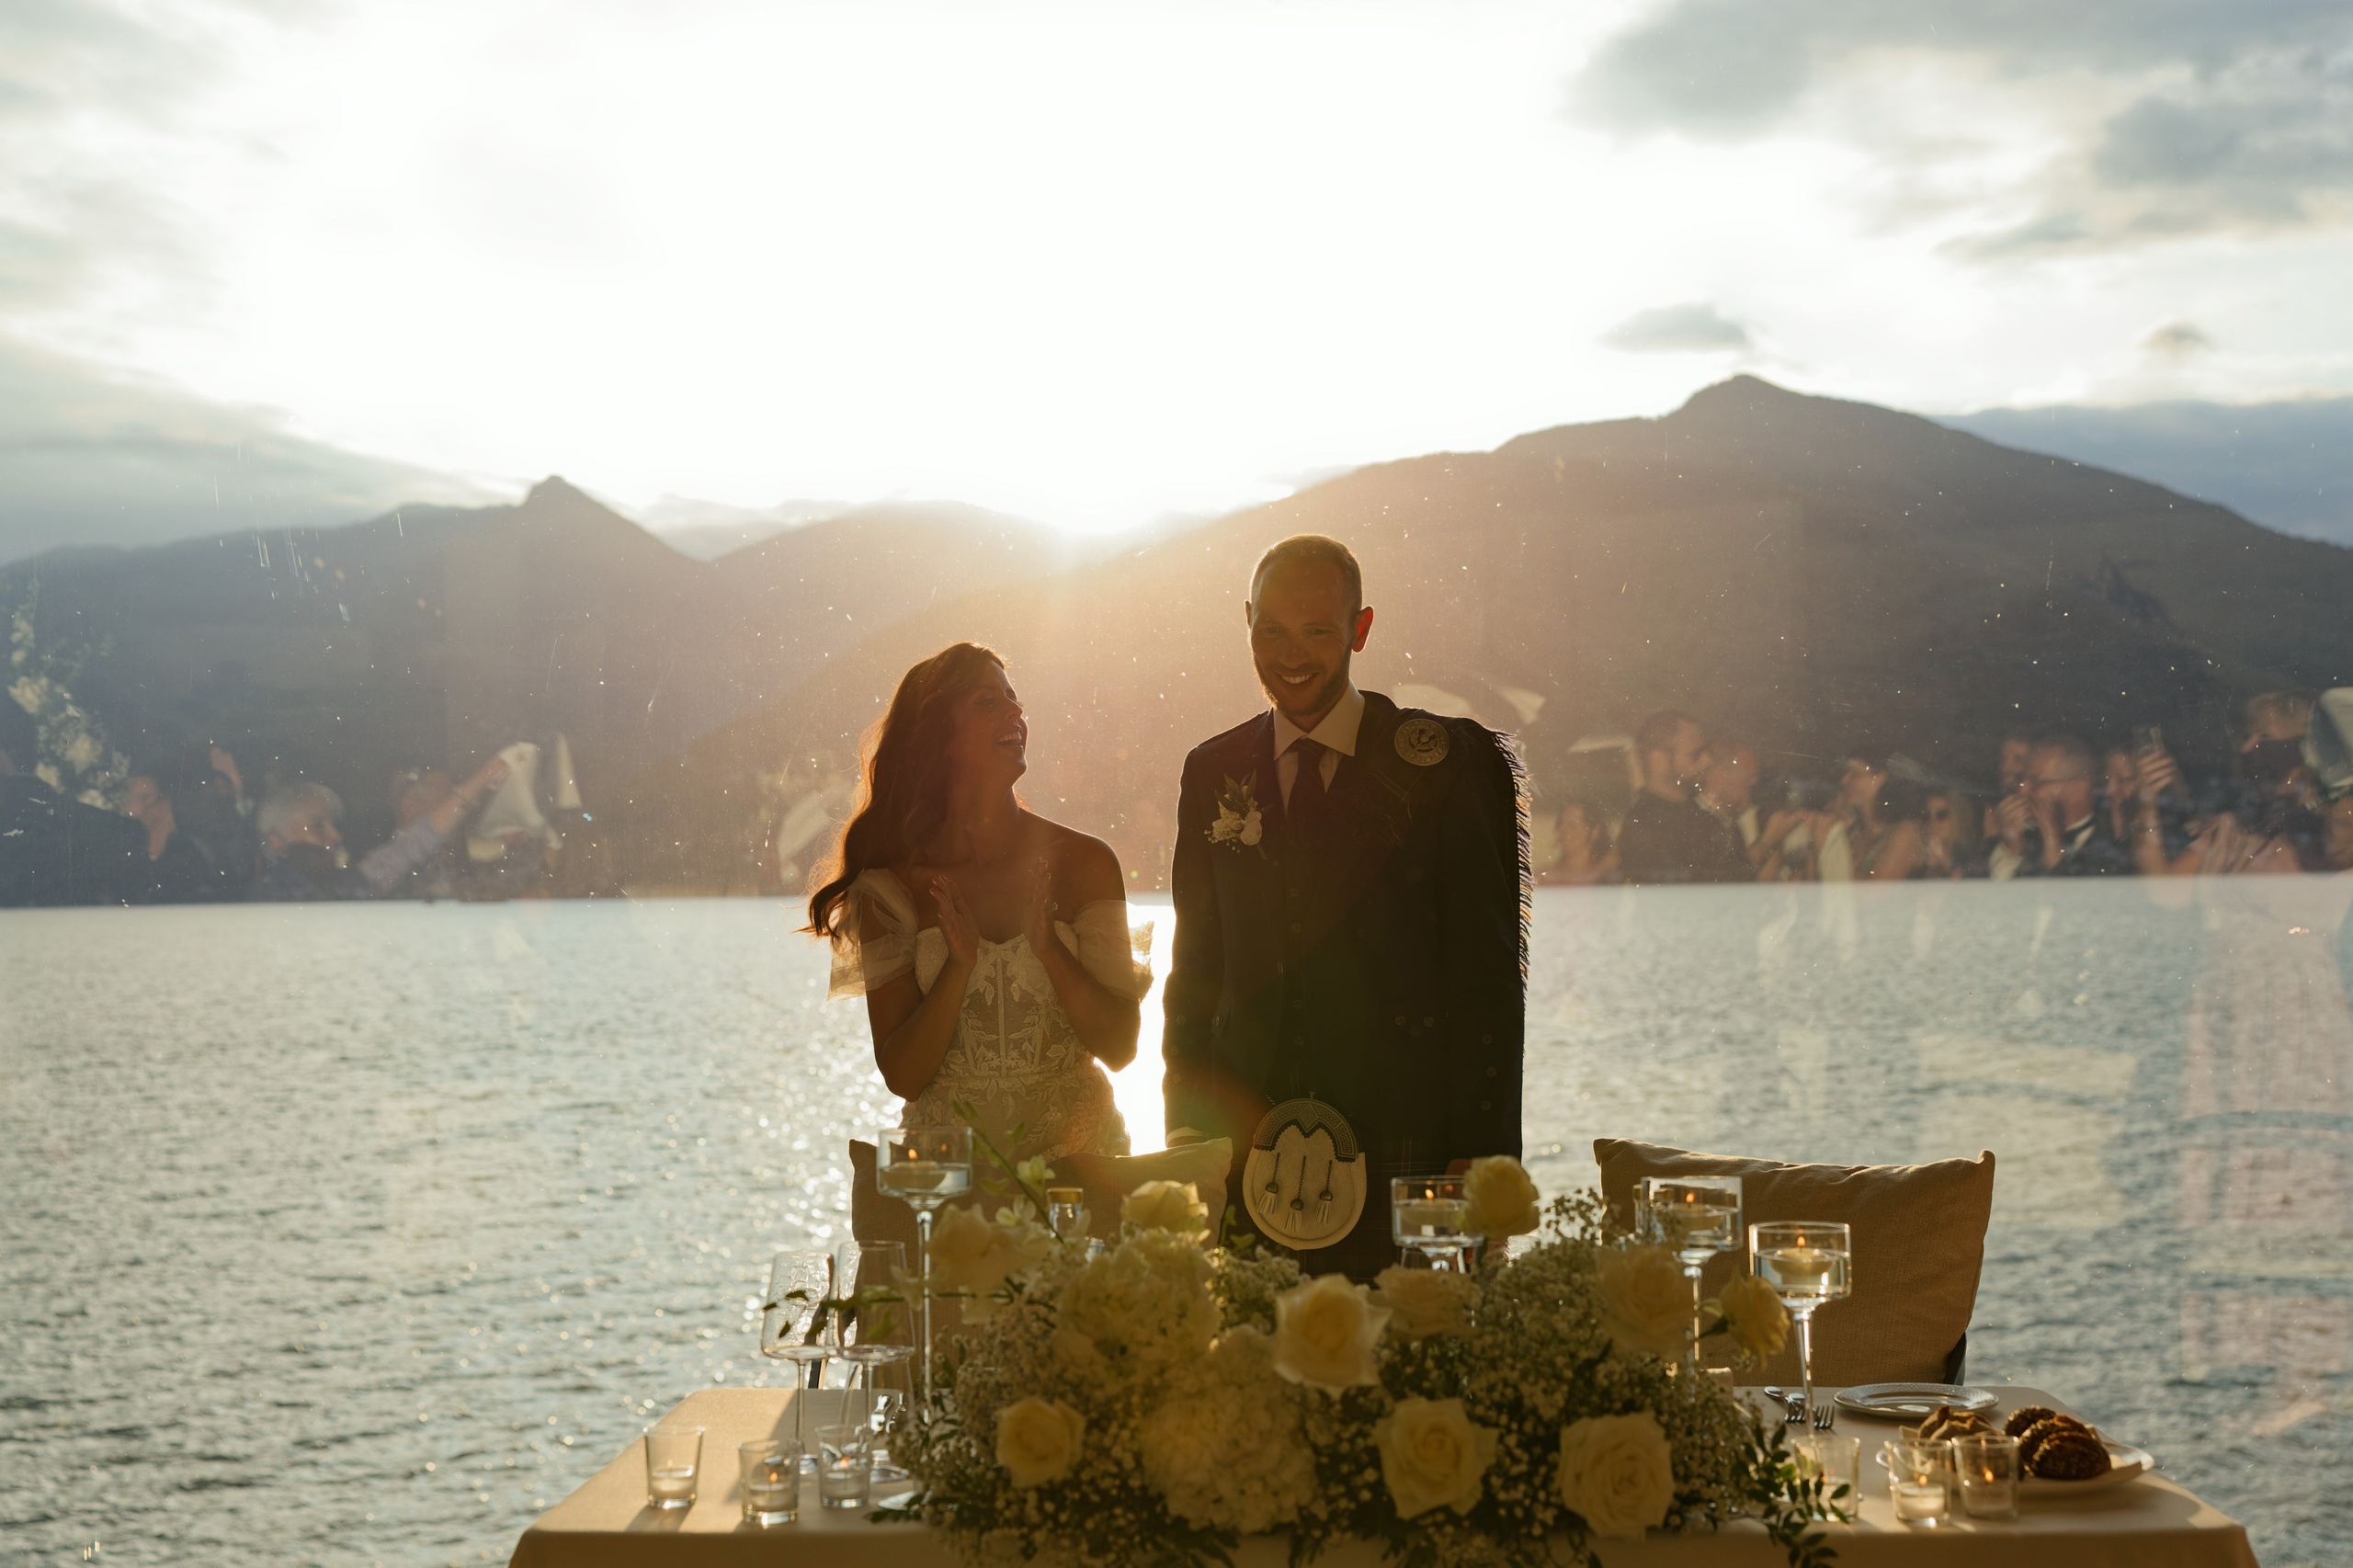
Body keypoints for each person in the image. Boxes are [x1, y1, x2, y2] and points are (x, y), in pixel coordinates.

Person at [1163, 535, 1526, 1279]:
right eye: (1272, 630)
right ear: (1247, 622)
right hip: (1247, 1138)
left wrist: (1483, 1156)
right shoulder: (1211, 770)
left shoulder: (1443, 765)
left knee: (1411, 1346)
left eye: (1317, 632)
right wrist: (1186, 1138)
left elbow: (1486, 978)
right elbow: (1195, 969)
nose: (1290, 655)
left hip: (1408, 1131)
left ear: (1360, 630)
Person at [810, 642, 1149, 1165]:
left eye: (1014, 699)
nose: (1016, 712)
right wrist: (957, 967)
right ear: (938, 739)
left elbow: (1121, 1048)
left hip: (1080, 1172)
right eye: (988, 702)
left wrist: (1050, 952)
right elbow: (904, 1077)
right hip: (947, 1179)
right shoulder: (891, 891)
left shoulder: (1085, 862)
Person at [250, 754, 509, 901]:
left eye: (333, 824)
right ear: (276, 840)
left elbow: (409, 848)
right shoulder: (273, 899)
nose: (335, 835)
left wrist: (484, 777)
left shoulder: (343, 884)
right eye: (317, 825)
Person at [1617, 710, 1749, 883]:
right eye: (1695, 754)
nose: (1707, 761)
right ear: (1659, 760)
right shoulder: (1646, 825)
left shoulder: (1695, 814)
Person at [1992, 735, 2135, 878]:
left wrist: (2053, 849)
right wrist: (2012, 853)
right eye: (2022, 781)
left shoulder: (2116, 841)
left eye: (2036, 782)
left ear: (2078, 790)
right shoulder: (2026, 840)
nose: (2022, 791)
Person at [120, 763, 219, 903]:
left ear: (167, 803)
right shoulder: (123, 851)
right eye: (130, 799)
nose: (135, 807)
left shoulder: (189, 851)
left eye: (146, 798)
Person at [1818, 756, 1927, 881]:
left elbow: (1874, 891)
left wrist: (1826, 847)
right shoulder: (1854, 831)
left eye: (1855, 775)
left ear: (1880, 778)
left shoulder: (1905, 832)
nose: (1844, 781)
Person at [1699, 741, 1762, 853]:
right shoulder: (1695, 823)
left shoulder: (1732, 824)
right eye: (1747, 780)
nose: (1752, 785)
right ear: (1720, 774)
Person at [1542, 799, 1619, 886]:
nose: (1564, 831)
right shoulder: (1545, 877)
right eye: (1561, 824)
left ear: (1595, 831)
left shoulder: (1606, 875)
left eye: (1573, 825)